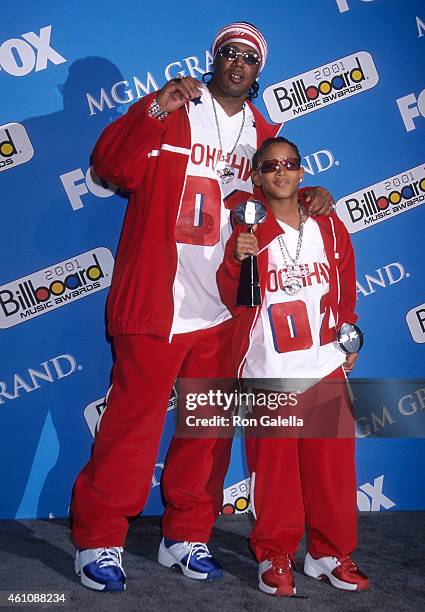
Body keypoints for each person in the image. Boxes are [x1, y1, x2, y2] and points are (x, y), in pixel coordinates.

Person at [70, 23, 334, 592]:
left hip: (226, 310)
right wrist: (153, 109)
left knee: (207, 430)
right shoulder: (176, 110)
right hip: (158, 299)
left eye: (249, 58)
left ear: (258, 72)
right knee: (131, 428)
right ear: (213, 60)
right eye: (229, 54)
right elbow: (111, 167)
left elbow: (279, 204)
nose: (238, 64)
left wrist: (311, 196)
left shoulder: (266, 135)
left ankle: (186, 534)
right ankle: (100, 539)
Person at [216, 136, 369, 596]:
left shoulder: (327, 222)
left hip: (323, 366)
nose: (280, 172)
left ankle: (327, 553)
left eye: (290, 164)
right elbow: (233, 297)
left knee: (332, 473)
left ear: (302, 173)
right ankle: (275, 553)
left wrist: (348, 332)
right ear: (257, 176)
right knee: (276, 476)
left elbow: (345, 284)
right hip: (270, 369)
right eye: (269, 166)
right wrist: (235, 260)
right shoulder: (249, 228)